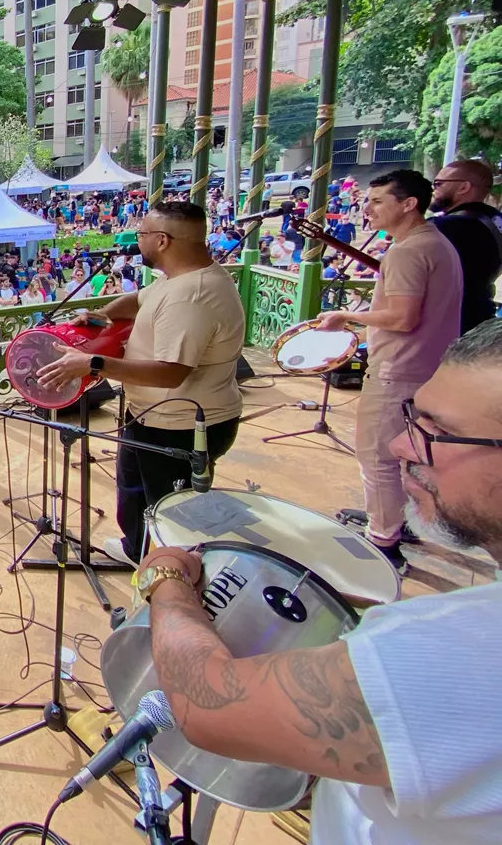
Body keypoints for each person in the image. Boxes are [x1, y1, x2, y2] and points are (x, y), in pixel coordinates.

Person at [139, 318, 502, 845]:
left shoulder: (450, 654)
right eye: (411, 420)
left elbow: (206, 706)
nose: (402, 446)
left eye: (436, 433)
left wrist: (167, 579)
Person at [35, 201, 245, 564]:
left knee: (169, 510)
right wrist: (104, 313)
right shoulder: (178, 279)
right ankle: (136, 550)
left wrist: (94, 363)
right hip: (152, 415)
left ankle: (169, 579)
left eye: (142, 234)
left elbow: (170, 372)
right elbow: (138, 299)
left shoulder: (190, 296)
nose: (138, 240)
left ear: (162, 240)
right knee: (134, 488)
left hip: (180, 425)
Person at [319, 169, 463, 573]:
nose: (368, 208)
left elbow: (402, 317)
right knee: (405, 456)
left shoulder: (406, 251)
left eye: (378, 200)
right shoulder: (436, 243)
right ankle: (398, 523)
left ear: (408, 203)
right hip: (427, 367)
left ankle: (382, 544)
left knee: (378, 456)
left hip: (399, 369)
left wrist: (345, 314)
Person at [429, 158, 501, 333]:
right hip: (481, 318)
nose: (433, 189)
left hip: (445, 325)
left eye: (438, 184)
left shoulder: (445, 226)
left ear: (464, 187)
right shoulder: (496, 220)